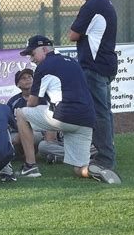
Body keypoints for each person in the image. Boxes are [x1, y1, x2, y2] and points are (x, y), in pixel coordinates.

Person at [15, 35, 121, 184]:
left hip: (65, 116)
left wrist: (33, 120)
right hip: (87, 119)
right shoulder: (72, 62)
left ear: (45, 49)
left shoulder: (43, 67)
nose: (31, 59)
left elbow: (31, 103)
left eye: (32, 54)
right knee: (79, 169)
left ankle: (30, 167)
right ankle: (95, 171)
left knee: (20, 114)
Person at [67, 0, 119, 177]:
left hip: (94, 66)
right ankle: (106, 151)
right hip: (104, 64)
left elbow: (72, 35)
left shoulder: (93, 4)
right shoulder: (104, 1)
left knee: (99, 113)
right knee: (103, 112)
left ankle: (105, 158)